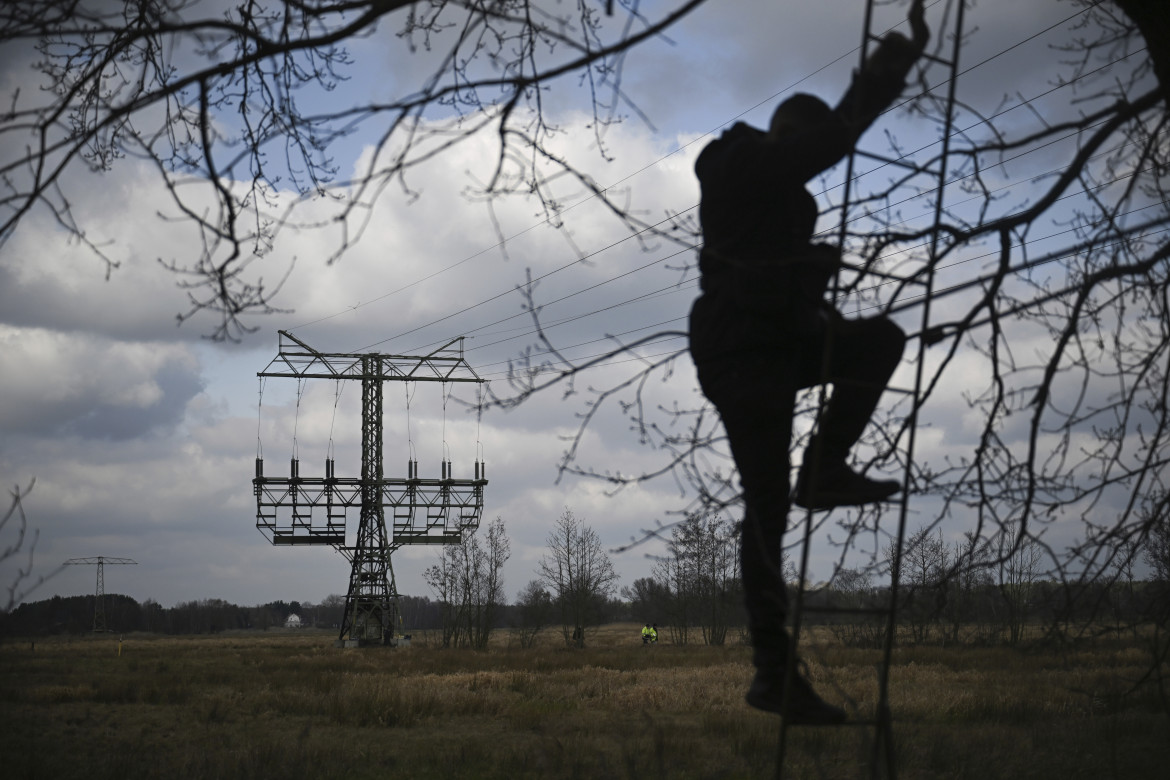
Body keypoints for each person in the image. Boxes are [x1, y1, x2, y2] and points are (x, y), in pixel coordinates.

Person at [688, 1, 929, 723]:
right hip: (740, 353)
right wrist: (892, 64)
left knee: (879, 339)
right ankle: (772, 672)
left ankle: (823, 468)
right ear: (786, 133)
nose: (810, 171)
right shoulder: (735, 160)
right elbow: (830, 142)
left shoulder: (783, 200)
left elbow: (784, 279)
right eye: (806, 148)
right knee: (764, 513)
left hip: (779, 341)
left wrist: (820, 295)